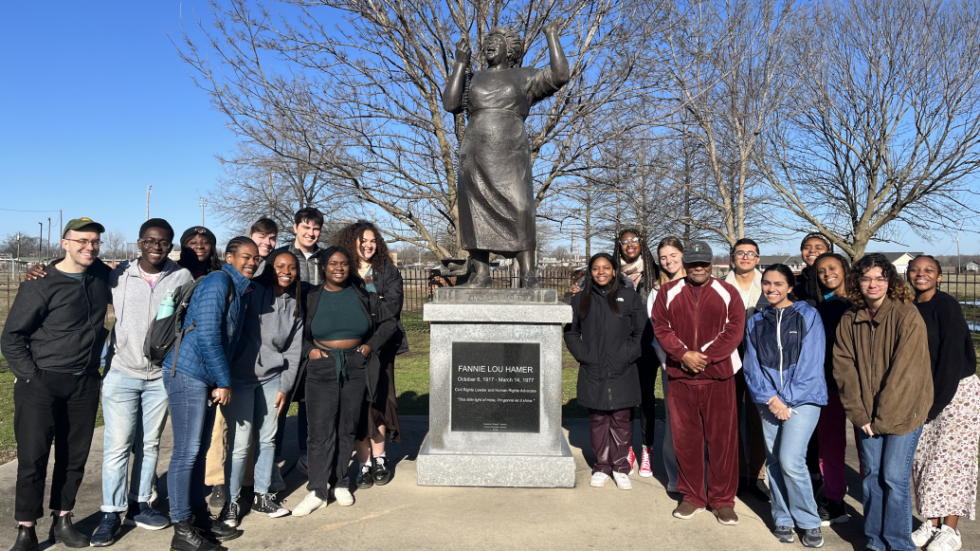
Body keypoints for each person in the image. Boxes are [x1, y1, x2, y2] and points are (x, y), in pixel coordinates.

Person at [1, 218, 110, 551]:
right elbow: (12, 336)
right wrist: (31, 376)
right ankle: (26, 529)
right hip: (42, 383)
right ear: (65, 242)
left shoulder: (102, 276)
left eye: (94, 242)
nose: (89, 247)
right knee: (33, 459)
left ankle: (63, 519)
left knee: (74, 456)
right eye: (82, 241)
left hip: (85, 383)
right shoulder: (40, 283)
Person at [442, 22, 570, 287]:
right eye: (488, 40)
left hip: (511, 152)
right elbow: (451, 103)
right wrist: (459, 65)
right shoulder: (472, 77)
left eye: (497, 41)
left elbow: (560, 76)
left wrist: (551, 35)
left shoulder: (524, 76)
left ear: (510, 50)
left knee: (521, 207)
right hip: (475, 153)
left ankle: (527, 273)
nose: (489, 44)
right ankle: (482, 274)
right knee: (474, 210)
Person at [91, 219, 192, 545]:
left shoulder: (181, 277)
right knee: (117, 446)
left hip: (159, 375)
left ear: (170, 244)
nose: (156, 246)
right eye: (150, 241)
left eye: (163, 242)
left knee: (149, 445)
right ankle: (111, 512)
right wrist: (45, 268)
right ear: (139, 243)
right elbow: (79, 272)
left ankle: (139, 503)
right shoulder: (118, 274)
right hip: (122, 372)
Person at [162, 237, 259, 551]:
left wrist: (218, 379)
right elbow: (207, 332)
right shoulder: (220, 280)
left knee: (198, 450)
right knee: (186, 452)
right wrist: (224, 381)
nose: (252, 262)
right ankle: (182, 530)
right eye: (246, 256)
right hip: (187, 373)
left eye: (256, 258)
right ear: (230, 257)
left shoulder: (239, 289)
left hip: (202, 376)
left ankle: (199, 518)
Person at [833, 253, 933, 551]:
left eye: (879, 278)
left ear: (890, 282)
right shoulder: (851, 319)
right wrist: (860, 414)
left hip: (904, 413)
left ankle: (900, 543)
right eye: (866, 278)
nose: (872, 284)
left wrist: (881, 420)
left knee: (893, 477)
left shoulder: (906, 314)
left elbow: (907, 373)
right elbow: (843, 368)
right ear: (857, 282)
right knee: (872, 477)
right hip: (867, 416)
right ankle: (876, 540)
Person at [291, 247, 397, 516]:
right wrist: (308, 351)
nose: (339, 268)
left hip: (355, 366)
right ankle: (316, 490)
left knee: (346, 428)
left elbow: (390, 321)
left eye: (344, 264)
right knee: (319, 431)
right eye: (333, 263)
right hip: (321, 366)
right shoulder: (311, 297)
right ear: (324, 267)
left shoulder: (362, 296)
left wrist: (370, 347)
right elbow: (295, 330)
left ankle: (340, 482)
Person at [652, 240, 746, 525]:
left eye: (703, 263)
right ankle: (692, 496)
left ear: (711, 263)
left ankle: (722, 500)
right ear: (685, 264)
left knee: (722, 442)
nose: (699, 268)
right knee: (686, 441)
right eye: (693, 263)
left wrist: (703, 357)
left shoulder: (727, 292)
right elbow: (660, 327)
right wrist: (683, 355)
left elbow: (734, 330)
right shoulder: (667, 293)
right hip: (681, 378)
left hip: (719, 378)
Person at [743, 264, 828, 548]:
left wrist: (786, 399)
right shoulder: (756, 321)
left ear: (790, 286)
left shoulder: (808, 315)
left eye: (778, 283)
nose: (771, 289)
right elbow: (752, 367)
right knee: (775, 460)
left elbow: (812, 363)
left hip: (803, 399)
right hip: (768, 401)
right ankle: (782, 517)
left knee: (792, 460)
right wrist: (771, 398)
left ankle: (809, 520)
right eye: (766, 283)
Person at [218, 248, 303, 528]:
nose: (286, 272)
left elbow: (293, 350)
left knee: (267, 440)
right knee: (241, 444)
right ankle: (231, 501)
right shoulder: (251, 292)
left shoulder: (295, 304)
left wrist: (285, 386)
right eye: (280, 265)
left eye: (291, 267)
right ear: (270, 267)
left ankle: (262, 495)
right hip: (240, 378)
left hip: (272, 379)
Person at [908, 255, 980, 551]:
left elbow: (951, 358)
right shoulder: (909, 307)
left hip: (957, 392)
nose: (921, 275)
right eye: (915, 270)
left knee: (950, 463)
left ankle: (951, 530)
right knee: (923, 461)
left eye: (928, 271)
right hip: (926, 392)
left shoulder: (946, 305)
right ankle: (932, 523)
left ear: (939, 277)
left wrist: (935, 406)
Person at [333, 221, 408, 490]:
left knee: (381, 402)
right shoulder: (343, 269)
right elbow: (340, 305)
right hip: (350, 348)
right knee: (357, 404)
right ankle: (363, 463)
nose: (369, 244)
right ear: (352, 240)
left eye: (373, 240)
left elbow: (393, 306)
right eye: (363, 240)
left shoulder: (387, 269)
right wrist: (374, 299)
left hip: (382, 346)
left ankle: (380, 459)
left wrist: (365, 303)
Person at [564, 253, 645, 490]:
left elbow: (640, 331)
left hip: (623, 368)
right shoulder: (580, 300)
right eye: (596, 268)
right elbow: (571, 332)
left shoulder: (629, 297)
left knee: (621, 419)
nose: (601, 272)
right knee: (598, 419)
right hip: (593, 368)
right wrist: (583, 354)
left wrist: (628, 354)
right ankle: (601, 466)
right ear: (590, 272)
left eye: (606, 268)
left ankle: (620, 467)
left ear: (613, 271)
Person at [274, 207, 328, 477]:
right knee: (280, 399)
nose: (310, 233)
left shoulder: (326, 258)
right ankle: (271, 458)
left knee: (310, 400)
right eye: (306, 227)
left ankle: (307, 457)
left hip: (316, 337)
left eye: (315, 229)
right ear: (295, 227)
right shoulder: (281, 257)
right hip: (286, 338)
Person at [807, 252, 857, 526]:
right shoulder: (820, 308)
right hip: (828, 386)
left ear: (845, 269)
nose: (827, 274)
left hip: (862, 390)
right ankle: (835, 500)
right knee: (830, 446)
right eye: (821, 271)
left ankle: (875, 508)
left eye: (832, 268)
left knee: (868, 451)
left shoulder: (862, 303)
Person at [723, 238, 770, 502]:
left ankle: (757, 475)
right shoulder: (719, 286)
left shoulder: (768, 283)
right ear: (732, 257)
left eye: (750, 253)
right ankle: (737, 473)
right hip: (728, 360)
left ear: (758, 258)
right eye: (740, 253)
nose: (745, 257)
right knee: (731, 419)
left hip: (759, 362)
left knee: (757, 419)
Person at [611, 228, 660, 478]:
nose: (629, 244)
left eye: (634, 240)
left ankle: (646, 451)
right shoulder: (612, 273)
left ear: (642, 244)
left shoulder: (654, 272)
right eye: (624, 241)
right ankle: (627, 449)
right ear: (619, 245)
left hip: (649, 345)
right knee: (626, 399)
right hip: (621, 345)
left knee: (646, 398)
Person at [645, 236, 686, 492]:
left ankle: (697, 471)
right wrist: (669, 361)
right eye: (663, 257)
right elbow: (657, 332)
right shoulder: (656, 291)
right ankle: (674, 475)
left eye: (673, 255)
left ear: (682, 255)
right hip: (671, 365)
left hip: (701, 365)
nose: (669, 261)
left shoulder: (697, 283)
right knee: (674, 422)